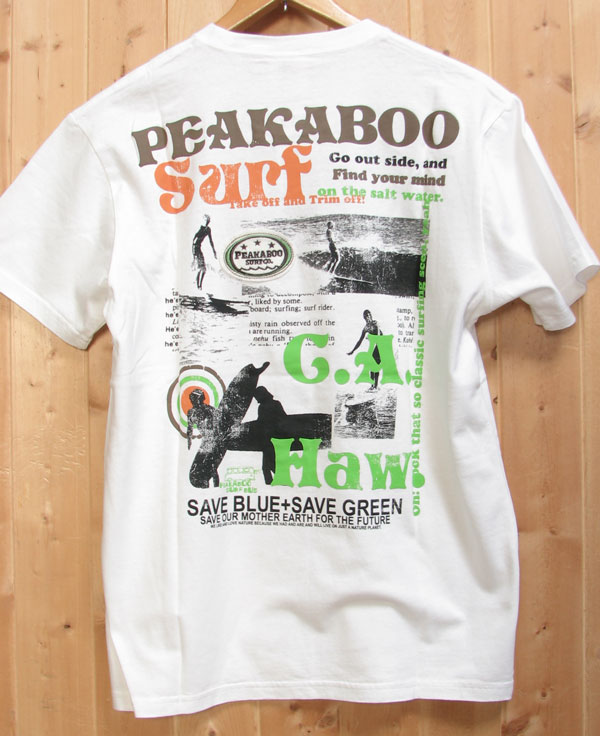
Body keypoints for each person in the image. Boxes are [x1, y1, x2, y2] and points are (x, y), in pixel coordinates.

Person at [253, 385, 288, 484]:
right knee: (268, 465)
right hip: (270, 439)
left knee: (268, 465)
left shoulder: (265, 406)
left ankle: (277, 481)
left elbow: (261, 422)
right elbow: (284, 418)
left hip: (271, 439)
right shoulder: (274, 404)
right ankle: (277, 481)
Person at [186, 389, 219, 485]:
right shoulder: (191, 412)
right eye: (191, 398)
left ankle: (215, 487)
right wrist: (189, 442)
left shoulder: (209, 409)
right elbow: (189, 428)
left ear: (200, 398)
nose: (192, 400)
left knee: (211, 467)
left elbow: (217, 424)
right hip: (205, 441)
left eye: (195, 398)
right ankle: (205, 485)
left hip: (212, 439)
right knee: (204, 467)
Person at [348, 309, 383, 389]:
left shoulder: (375, 323)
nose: (367, 318)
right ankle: (372, 385)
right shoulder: (366, 328)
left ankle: (376, 386)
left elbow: (378, 337)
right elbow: (359, 341)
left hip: (381, 344)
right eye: (365, 317)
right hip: (375, 345)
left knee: (376, 364)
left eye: (368, 316)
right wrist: (353, 350)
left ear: (370, 316)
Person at [192, 214, 217, 289]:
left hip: (198, 249)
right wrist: (194, 255)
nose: (207, 222)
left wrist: (214, 251)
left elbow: (211, 241)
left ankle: (198, 285)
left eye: (208, 220)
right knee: (201, 269)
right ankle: (198, 285)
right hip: (196, 249)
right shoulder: (200, 229)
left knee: (203, 269)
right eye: (206, 220)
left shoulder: (208, 229)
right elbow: (194, 241)